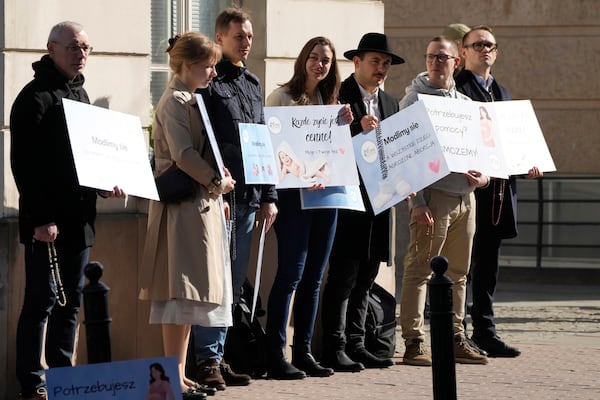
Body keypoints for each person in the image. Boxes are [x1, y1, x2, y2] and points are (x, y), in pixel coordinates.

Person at [9, 21, 126, 400]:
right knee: (41, 302)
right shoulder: (33, 98)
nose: (82, 55)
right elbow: (25, 166)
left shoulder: (81, 95)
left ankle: (64, 379)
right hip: (48, 224)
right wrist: (41, 220)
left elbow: (87, 159)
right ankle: (32, 383)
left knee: (70, 302)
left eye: (87, 48)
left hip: (80, 220)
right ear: (52, 48)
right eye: (75, 47)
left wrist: (105, 185)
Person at [138, 31, 235, 400]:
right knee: (178, 298)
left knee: (189, 299)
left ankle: (178, 374)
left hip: (199, 206)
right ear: (188, 65)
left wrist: (217, 182)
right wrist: (216, 181)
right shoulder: (175, 102)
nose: (213, 73)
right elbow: (183, 154)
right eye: (208, 66)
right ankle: (169, 378)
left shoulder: (191, 98)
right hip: (181, 210)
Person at [192, 6, 277, 390]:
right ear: (220, 38)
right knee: (213, 281)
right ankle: (205, 360)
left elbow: (263, 140)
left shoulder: (254, 83)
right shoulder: (207, 82)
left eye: (250, 36)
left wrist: (268, 195)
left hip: (249, 197)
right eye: (240, 36)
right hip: (219, 197)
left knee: (232, 283)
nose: (247, 42)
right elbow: (202, 141)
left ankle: (220, 355)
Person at [264, 36, 353, 380]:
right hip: (293, 199)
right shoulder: (282, 98)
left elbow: (337, 153)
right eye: (314, 58)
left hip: (327, 197)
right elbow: (274, 152)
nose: (320, 64)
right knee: (290, 275)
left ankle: (303, 352)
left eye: (326, 60)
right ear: (303, 60)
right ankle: (276, 353)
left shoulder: (332, 102)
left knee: (315, 278)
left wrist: (346, 123)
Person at [398, 35, 490, 366]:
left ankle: (454, 337)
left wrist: (485, 177)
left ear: (457, 61)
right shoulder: (413, 102)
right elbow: (404, 156)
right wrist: (417, 202)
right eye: (431, 57)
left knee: (459, 273)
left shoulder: (467, 106)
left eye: (443, 57)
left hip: (466, 198)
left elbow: (485, 154)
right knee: (420, 269)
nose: (436, 62)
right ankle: (413, 341)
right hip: (433, 199)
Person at [455, 25, 543, 357]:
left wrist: (528, 163)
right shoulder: (458, 89)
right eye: (477, 45)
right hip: (468, 190)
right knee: (462, 265)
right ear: (463, 52)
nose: (485, 49)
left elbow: (511, 143)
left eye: (490, 45)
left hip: (500, 191)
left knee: (488, 265)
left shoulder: (503, 93)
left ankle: (486, 331)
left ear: (497, 52)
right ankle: (457, 333)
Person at [320, 32, 404, 372]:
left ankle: (358, 344)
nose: (381, 68)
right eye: (375, 62)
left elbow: (396, 152)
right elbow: (322, 143)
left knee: (367, 277)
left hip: (380, 203)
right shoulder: (338, 95)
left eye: (385, 63)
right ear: (356, 62)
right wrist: (356, 131)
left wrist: (405, 180)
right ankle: (333, 346)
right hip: (348, 201)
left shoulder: (391, 104)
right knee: (343, 276)